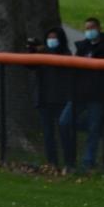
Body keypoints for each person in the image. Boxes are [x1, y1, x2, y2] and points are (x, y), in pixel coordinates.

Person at [63, 16, 104, 171]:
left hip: (97, 96)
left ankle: (87, 162)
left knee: (94, 129)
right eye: (86, 28)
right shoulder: (82, 48)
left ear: (99, 29)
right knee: (65, 122)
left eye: (91, 28)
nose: (89, 31)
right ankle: (69, 158)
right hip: (79, 94)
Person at [28, 25, 72, 168]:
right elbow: (28, 65)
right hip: (44, 99)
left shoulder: (66, 53)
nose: (51, 40)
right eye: (49, 38)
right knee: (48, 134)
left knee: (64, 132)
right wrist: (32, 51)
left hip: (60, 99)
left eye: (54, 38)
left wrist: (44, 50)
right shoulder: (40, 55)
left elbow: (61, 62)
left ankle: (69, 163)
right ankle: (52, 163)